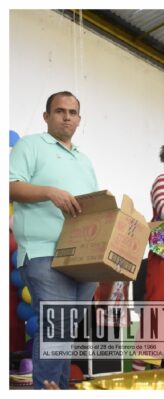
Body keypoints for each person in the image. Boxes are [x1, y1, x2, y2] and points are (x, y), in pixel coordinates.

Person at [10, 91, 99, 389]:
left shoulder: (84, 160)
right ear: (46, 116)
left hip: (83, 256)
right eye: (60, 111)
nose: (67, 117)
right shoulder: (30, 145)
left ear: (79, 120)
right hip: (43, 252)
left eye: (73, 112)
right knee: (57, 326)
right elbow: (10, 186)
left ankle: (56, 390)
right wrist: (50, 192)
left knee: (66, 330)